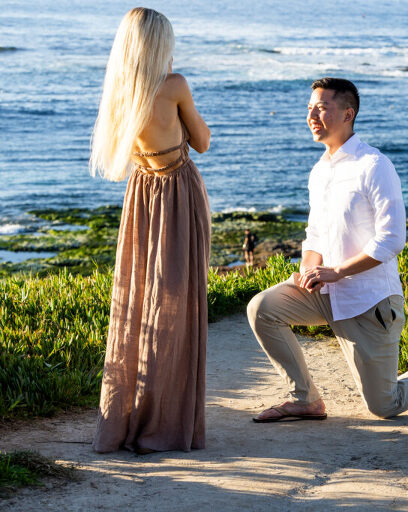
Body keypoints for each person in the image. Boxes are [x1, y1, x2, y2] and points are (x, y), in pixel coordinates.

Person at [247, 78, 408, 422]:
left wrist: (337, 271)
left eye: (322, 108)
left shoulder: (374, 165)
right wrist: (308, 269)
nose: (312, 115)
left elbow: (392, 239)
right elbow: (315, 234)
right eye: (309, 108)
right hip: (324, 293)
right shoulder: (319, 171)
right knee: (262, 308)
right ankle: (305, 398)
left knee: (385, 406)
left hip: (369, 303)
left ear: (347, 114)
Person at [90, 8, 211, 453]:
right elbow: (202, 141)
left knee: (138, 302)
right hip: (177, 194)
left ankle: (126, 421)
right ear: (160, 44)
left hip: (140, 196)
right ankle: (162, 425)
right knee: (177, 306)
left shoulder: (118, 92)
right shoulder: (173, 85)